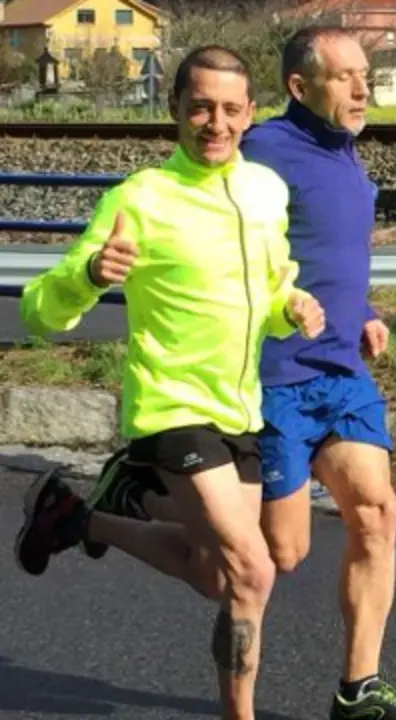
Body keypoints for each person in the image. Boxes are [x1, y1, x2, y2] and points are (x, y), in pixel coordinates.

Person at [73, 25, 396, 720]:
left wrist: (362, 308)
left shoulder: (347, 155)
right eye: (346, 76)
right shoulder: (262, 148)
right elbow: (218, 211)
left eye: (367, 74)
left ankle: (358, 689)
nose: (364, 88)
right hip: (273, 380)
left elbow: (322, 251)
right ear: (300, 87)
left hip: (338, 370)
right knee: (272, 558)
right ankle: (126, 504)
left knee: (377, 512)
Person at [13, 45, 325, 720]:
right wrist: (91, 274)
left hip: (237, 409)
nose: (215, 123)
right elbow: (40, 309)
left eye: (230, 109)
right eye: (201, 107)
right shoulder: (140, 198)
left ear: (250, 115)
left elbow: (271, 289)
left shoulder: (264, 192)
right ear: (175, 110)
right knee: (255, 571)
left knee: (218, 575)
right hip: (171, 408)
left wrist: (290, 307)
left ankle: (82, 516)